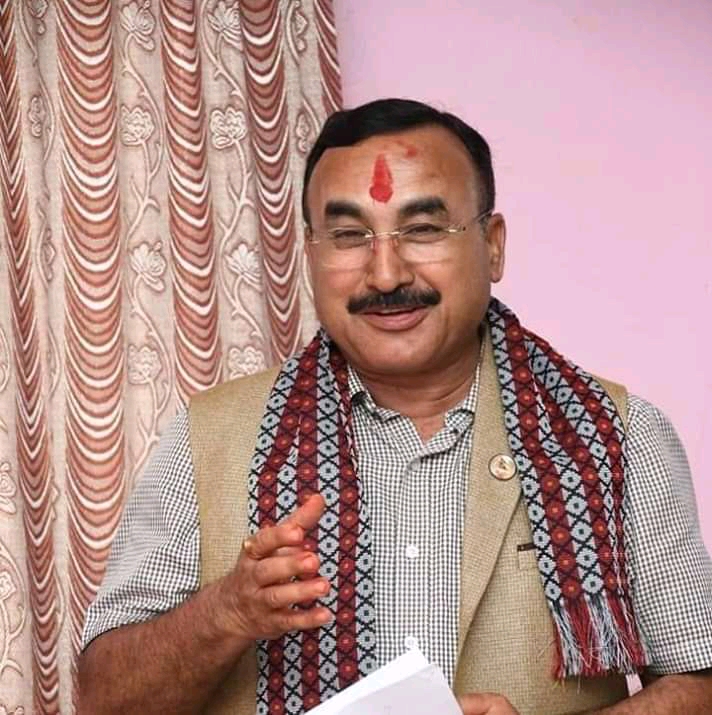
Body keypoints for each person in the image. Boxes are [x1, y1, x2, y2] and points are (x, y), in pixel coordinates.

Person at [76, 98, 712, 715]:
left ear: (492, 245)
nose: (385, 275)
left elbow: (701, 684)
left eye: (424, 229)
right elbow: (105, 701)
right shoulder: (207, 439)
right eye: (349, 235)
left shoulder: (615, 433)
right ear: (311, 253)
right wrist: (229, 612)